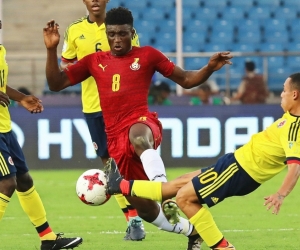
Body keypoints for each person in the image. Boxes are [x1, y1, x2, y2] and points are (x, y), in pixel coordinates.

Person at [43, 7, 233, 250]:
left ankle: (164, 191)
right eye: (112, 34)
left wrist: (208, 68)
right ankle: (192, 231)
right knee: (143, 208)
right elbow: (56, 83)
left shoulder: (147, 55)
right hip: (115, 141)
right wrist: (51, 50)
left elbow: (186, 79)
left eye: (122, 34)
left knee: (138, 136)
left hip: (142, 123)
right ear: (107, 34)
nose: (117, 40)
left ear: (132, 33)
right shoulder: (94, 61)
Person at [105, 72, 300, 250]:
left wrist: (280, 195)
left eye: (284, 91)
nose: (281, 94)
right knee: (176, 185)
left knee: (183, 198)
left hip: (241, 171)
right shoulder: (289, 117)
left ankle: (220, 246)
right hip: (234, 163)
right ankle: (121, 186)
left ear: (295, 95)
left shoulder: (294, 128)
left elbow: (295, 167)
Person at [59, 0, 144, 241]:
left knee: (136, 160)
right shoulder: (74, 30)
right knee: (110, 166)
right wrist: (78, 68)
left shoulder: (122, 28)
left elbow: (135, 59)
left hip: (122, 106)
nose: (95, 0)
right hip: (93, 107)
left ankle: (164, 203)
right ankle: (134, 220)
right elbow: (65, 62)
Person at [0, 20, 82, 250]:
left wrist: (21, 98)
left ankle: (48, 239)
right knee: (6, 183)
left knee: (24, 181)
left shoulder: (0, 50)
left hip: (4, 127)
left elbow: (1, 85)